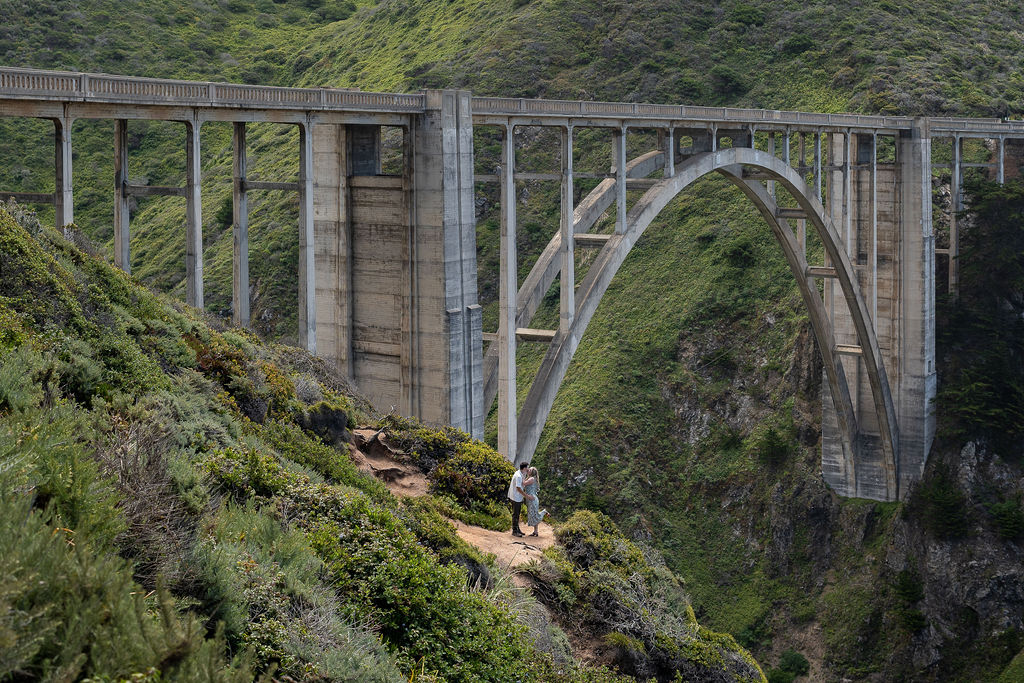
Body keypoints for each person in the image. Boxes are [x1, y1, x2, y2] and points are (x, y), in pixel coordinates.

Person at [523, 466, 548, 537]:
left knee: (534, 515)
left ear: (532, 472)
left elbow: (523, 483)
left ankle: (544, 512)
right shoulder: (532, 478)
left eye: (529, 470)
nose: (528, 470)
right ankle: (535, 531)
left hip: (532, 499)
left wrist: (522, 474)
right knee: (533, 514)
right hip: (532, 499)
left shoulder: (531, 478)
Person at [507, 461, 529, 537]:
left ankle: (517, 529)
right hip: (515, 497)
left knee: (517, 514)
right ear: (524, 468)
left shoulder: (519, 473)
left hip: (515, 496)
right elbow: (518, 488)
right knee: (515, 514)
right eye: (527, 468)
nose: (528, 469)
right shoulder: (519, 476)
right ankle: (515, 531)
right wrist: (525, 495)